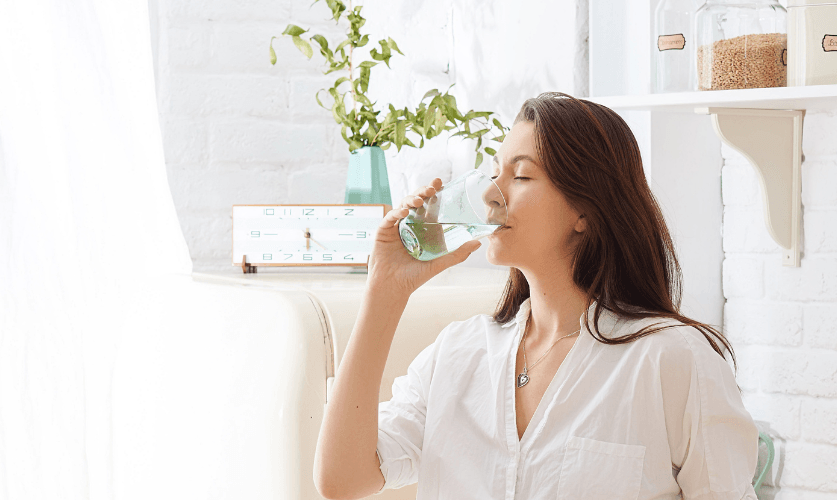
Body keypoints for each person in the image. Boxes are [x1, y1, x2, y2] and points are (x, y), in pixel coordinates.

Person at [313, 92, 759, 500]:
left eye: (521, 175)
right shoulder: (457, 354)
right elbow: (342, 478)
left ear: (585, 210)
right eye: (493, 174)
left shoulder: (673, 361)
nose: (490, 193)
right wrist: (384, 293)